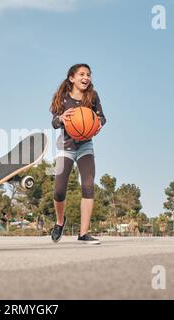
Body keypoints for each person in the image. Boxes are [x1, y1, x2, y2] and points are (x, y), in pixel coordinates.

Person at [50, 64, 106, 244]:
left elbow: (102, 118)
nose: (86, 77)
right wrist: (62, 118)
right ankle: (60, 222)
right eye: (82, 74)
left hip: (85, 147)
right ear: (71, 78)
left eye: (88, 74)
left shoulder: (93, 96)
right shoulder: (63, 98)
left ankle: (83, 234)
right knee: (59, 190)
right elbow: (54, 122)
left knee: (88, 186)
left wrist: (97, 123)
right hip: (66, 147)